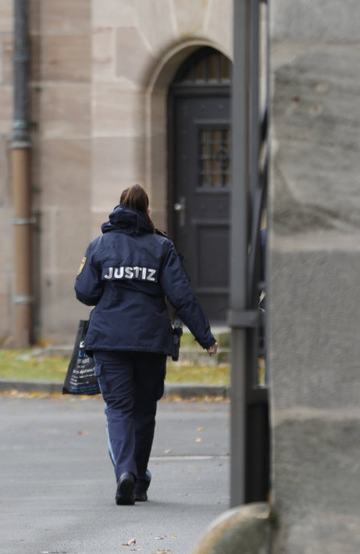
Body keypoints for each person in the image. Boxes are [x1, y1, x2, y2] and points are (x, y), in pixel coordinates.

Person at [74, 184, 218, 506]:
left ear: (118, 209)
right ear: (147, 212)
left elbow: (85, 293)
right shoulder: (161, 247)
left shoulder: (99, 245)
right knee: (144, 411)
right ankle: (138, 481)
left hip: (110, 341)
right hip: (151, 342)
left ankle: (124, 472)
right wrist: (205, 337)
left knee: (119, 409)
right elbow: (182, 296)